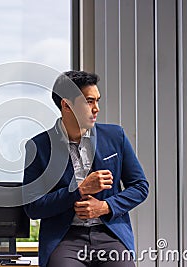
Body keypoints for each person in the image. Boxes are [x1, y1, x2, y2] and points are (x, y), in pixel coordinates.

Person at [22, 70, 149, 267]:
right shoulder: (38, 147)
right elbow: (33, 207)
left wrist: (105, 207)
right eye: (90, 101)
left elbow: (140, 187)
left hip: (110, 234)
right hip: (65, 239)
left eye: (97, 100)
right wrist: (78, 190)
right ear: (66, 105)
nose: (96, 108)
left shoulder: (116, 137)